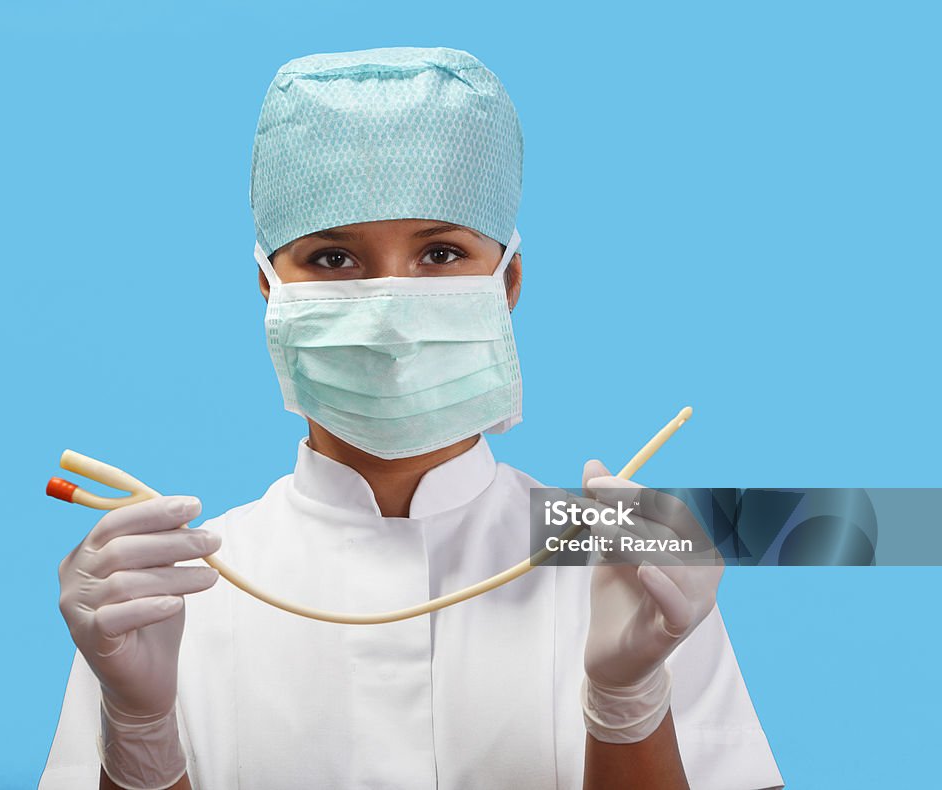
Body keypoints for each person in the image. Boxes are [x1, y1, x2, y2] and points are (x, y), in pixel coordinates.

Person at [40, 47, 784, 790]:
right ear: (270, 290)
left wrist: (629, 701)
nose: (391, 313)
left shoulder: (628, 575)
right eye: (333, 259)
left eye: (439, 252)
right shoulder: (170, 595)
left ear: (508, 282)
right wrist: (139, 733)